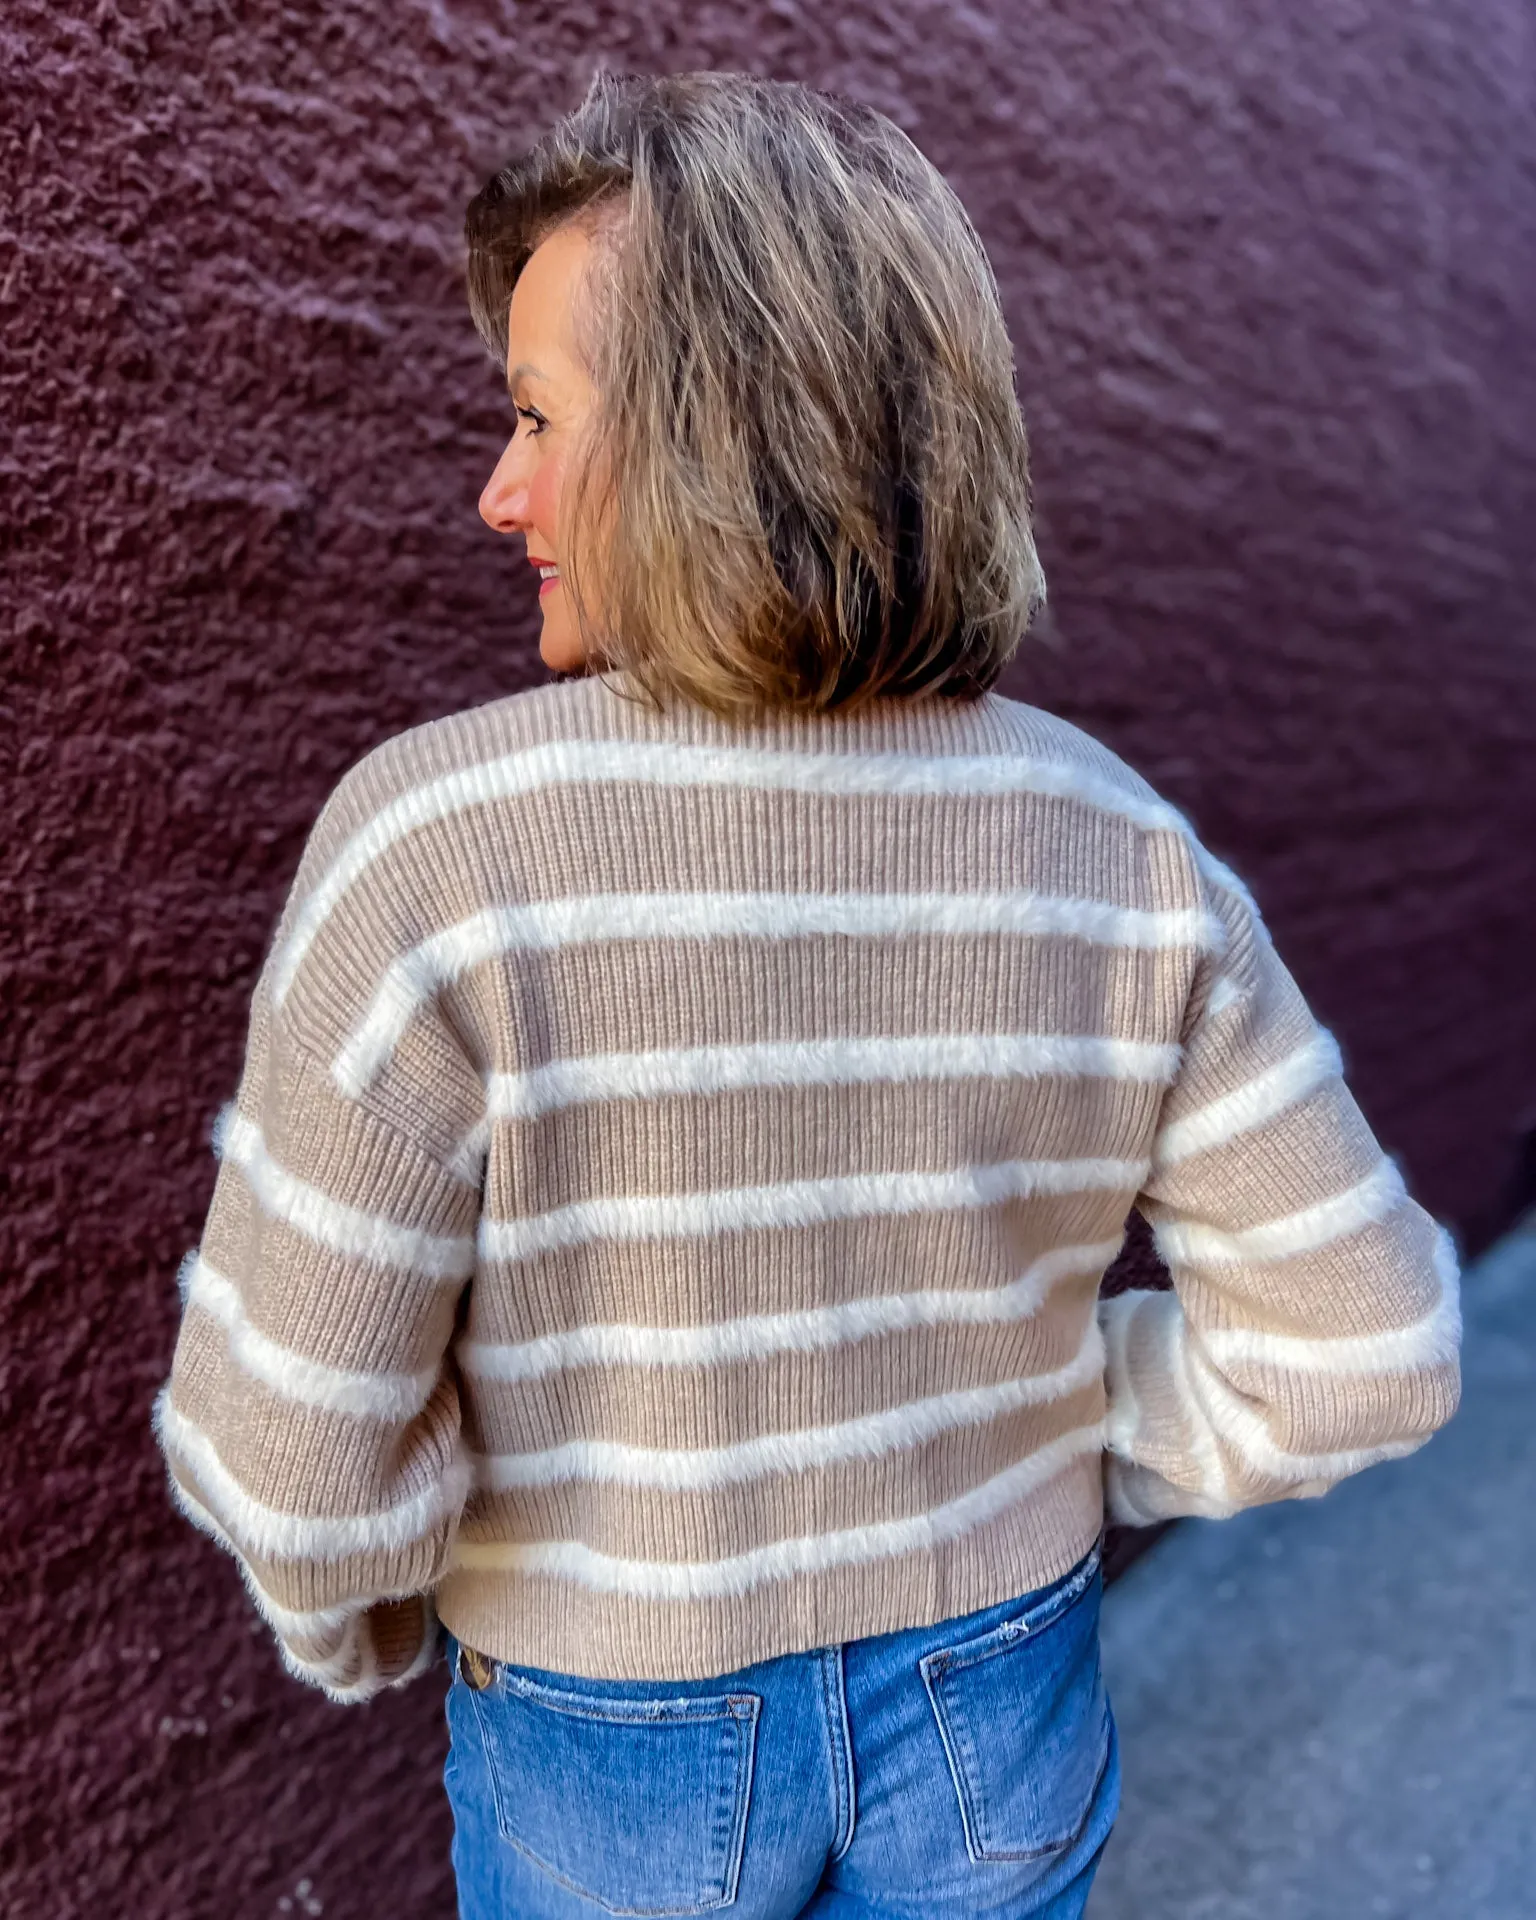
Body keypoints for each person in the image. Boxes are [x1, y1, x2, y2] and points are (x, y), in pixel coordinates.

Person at [152, 69, 1462, 1920]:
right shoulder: (1111, 841)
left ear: (708, 436)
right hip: (998, 1694)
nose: (494, 486)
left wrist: (367, 1619)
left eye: (535, 416)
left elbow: (293, 1452)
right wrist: (1054, 1444)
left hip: (607, 1730)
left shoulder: (437, 844)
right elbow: (1366, 1346)